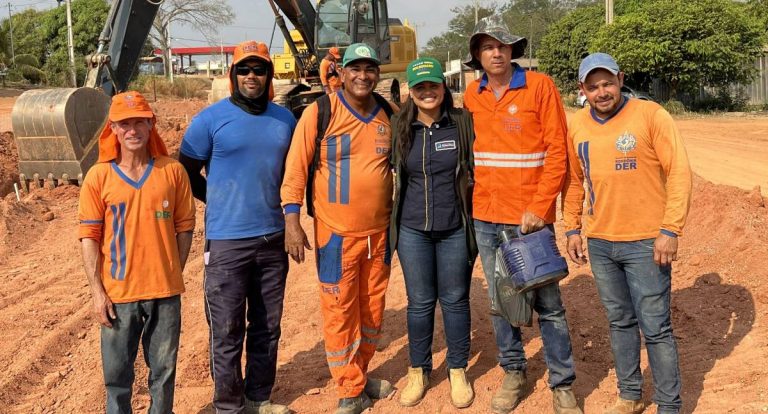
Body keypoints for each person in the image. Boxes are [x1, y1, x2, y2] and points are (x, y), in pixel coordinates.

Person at [462, 15, 582, 414]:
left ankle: (562, 383)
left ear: (513, 50)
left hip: (528, 219)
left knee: (547, 300)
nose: (496, 53)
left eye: (502, 45)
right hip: (486, 214)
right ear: (478, 56)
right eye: (487, 47)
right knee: (500, 299)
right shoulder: (472, 94)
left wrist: (540, 205)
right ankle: (514, 370)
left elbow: (558, 152)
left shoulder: (539, 86)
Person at [562, 52, 692, 414]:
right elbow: (574, 180)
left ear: (620, 79)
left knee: (656, 327)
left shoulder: (650, 115)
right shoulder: (577, 125)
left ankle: (668, 405)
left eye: (607, 83)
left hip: (647, 242)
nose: (601, 92)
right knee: (619, 322)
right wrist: (572, 226)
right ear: (582, 89)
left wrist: (671, 229)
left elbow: (679, 171)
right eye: (593, 86)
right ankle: (631, 395)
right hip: (601, 241)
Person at [179, 40, 297, 414]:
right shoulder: (210, 120)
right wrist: (215, 199)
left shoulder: (285, 120)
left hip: (272, 238)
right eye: (244, 69)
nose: (251, 76)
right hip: (227, 243)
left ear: (268, 75)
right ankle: (229, 406)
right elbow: (185, 172)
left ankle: (258, 397)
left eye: (258, 69)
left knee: (267, 326)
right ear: (233, 75)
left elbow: (297, 173)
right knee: (227, 329)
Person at [280, 43, 398, 414]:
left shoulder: (386, 113)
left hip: (379, 234)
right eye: (355, 69)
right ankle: (349, 388)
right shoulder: (321, 112)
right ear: (341, 73)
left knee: (372, 308)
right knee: (340, 309)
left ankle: (360, 373)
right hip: (335, 234)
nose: (363, 76)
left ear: (377, 74)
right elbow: (296, 169)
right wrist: (292, 221)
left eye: (369, 69)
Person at [78, 91, 195, 414]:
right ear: (113, 129)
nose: (133, 130)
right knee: (116, 377)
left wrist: (174, 269)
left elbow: (185, 227)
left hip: (164, 293)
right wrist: (97, 292)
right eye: (124, 124)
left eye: (140, 122)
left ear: (150, 125)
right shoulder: (98, 177)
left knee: (164, 371)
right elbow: (88, 235)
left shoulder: (172, 172)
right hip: (118, 295)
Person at [389, 57, 476, 409]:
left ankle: (457, 369)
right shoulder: (399, 124)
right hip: (412, 229)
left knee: (455, 300)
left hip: (454, 226)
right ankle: (418, 369)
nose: (428, 92)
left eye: (433, 86)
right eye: (420, 86)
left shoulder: (461, 123)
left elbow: (476, 166)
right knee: (420, 302)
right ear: (411, 90)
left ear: (444, 88)